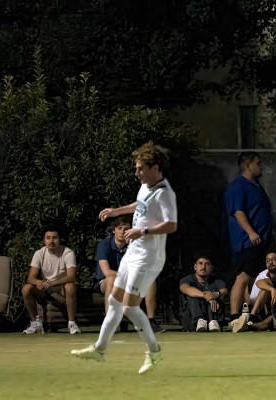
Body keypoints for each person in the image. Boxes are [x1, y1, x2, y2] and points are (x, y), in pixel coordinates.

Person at [71, 141, 177, 375]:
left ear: (155, 167)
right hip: (133, 254)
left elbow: (171, 225)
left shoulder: (165, 193)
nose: (136, 173)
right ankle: (99, 350)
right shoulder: (146, 186)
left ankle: (154, 351)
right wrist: (116, 211)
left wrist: (143, 231)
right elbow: (139, 205)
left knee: (129, 306)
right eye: (136, 168)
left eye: (140, 168)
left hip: (148, 258)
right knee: (115, 302)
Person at [224, 152, 274, 326]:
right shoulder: (238, 186)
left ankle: (248, 314)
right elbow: (238, 212)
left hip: (261, 241)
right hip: (247, 242)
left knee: (253, 277)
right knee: (243, 276)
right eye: (258, 163)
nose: (261, 167)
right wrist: (251, 232)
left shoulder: (257, 186)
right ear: (248, 165)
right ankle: (233, 316)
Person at [95, 215, 164, 333]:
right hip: (105, 282)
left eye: (126, 229)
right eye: (119, 228)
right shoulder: (104, 245)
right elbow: (107, 272)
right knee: (112, 279)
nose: (123, 231)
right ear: (114, 230)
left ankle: (151, 321)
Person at [22, 226, 81, 335]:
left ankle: (72, 324)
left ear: (60, 239)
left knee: (70, 286)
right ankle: (35, 324)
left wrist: (52, 283)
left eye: (54, 238)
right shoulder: (39, 253)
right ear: (44, 240)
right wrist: (38, 282)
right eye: (48, 238)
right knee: (26, 289)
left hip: (61, 287)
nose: (51, 241)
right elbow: (30, 278)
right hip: (45, 288)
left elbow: (71, 277)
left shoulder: (68, 253)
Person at [232, 248, 276, 332]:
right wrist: (273, 290)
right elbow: (259, 285)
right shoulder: (263, 275)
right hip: (258, 309)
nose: (270, 262)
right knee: (266, 289)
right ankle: (251, 319)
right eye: (268, 260)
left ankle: (248, 326)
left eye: (274, 260)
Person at [179, 255, 228, 332]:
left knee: (218, 296)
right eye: (200, 263)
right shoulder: (187, 279)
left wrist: (215, 295)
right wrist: (207, 297)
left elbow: (224, 291)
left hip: (213, 318)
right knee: (193, 296)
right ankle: (199, 321)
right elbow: (186, 289)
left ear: (211, 268)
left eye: (207, 264)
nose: (203, 267)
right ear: (195, 267)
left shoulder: (217, 280)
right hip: (192, 320)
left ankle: (213, 322)